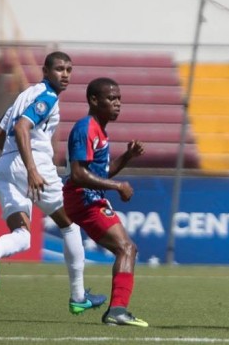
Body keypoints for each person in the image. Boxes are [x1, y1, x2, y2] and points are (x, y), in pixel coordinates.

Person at [0, 51, 107, 315]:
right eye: (60, 69)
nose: (65, 75)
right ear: (46, 71)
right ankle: (78, 296)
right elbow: (21, 128)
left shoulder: (23, 96)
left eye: (69, 70)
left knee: (23, 236)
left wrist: (14, 162)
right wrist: (30, 169)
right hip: (31, 164)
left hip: (3, 166)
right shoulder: (47, 96)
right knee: (69, 225)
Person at [62, 77, 148, 327]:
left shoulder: (100, 130)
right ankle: (117, 311)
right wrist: (118, 186)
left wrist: (128, 156)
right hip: (83, 198)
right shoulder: (86, 128)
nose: (117, 103)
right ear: (93, 100)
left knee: (128, 249)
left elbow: (102, 172)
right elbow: (78, 174)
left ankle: (117, 310)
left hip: (88, 198)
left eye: (119, 98)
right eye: (111, 98)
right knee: (126, 249)